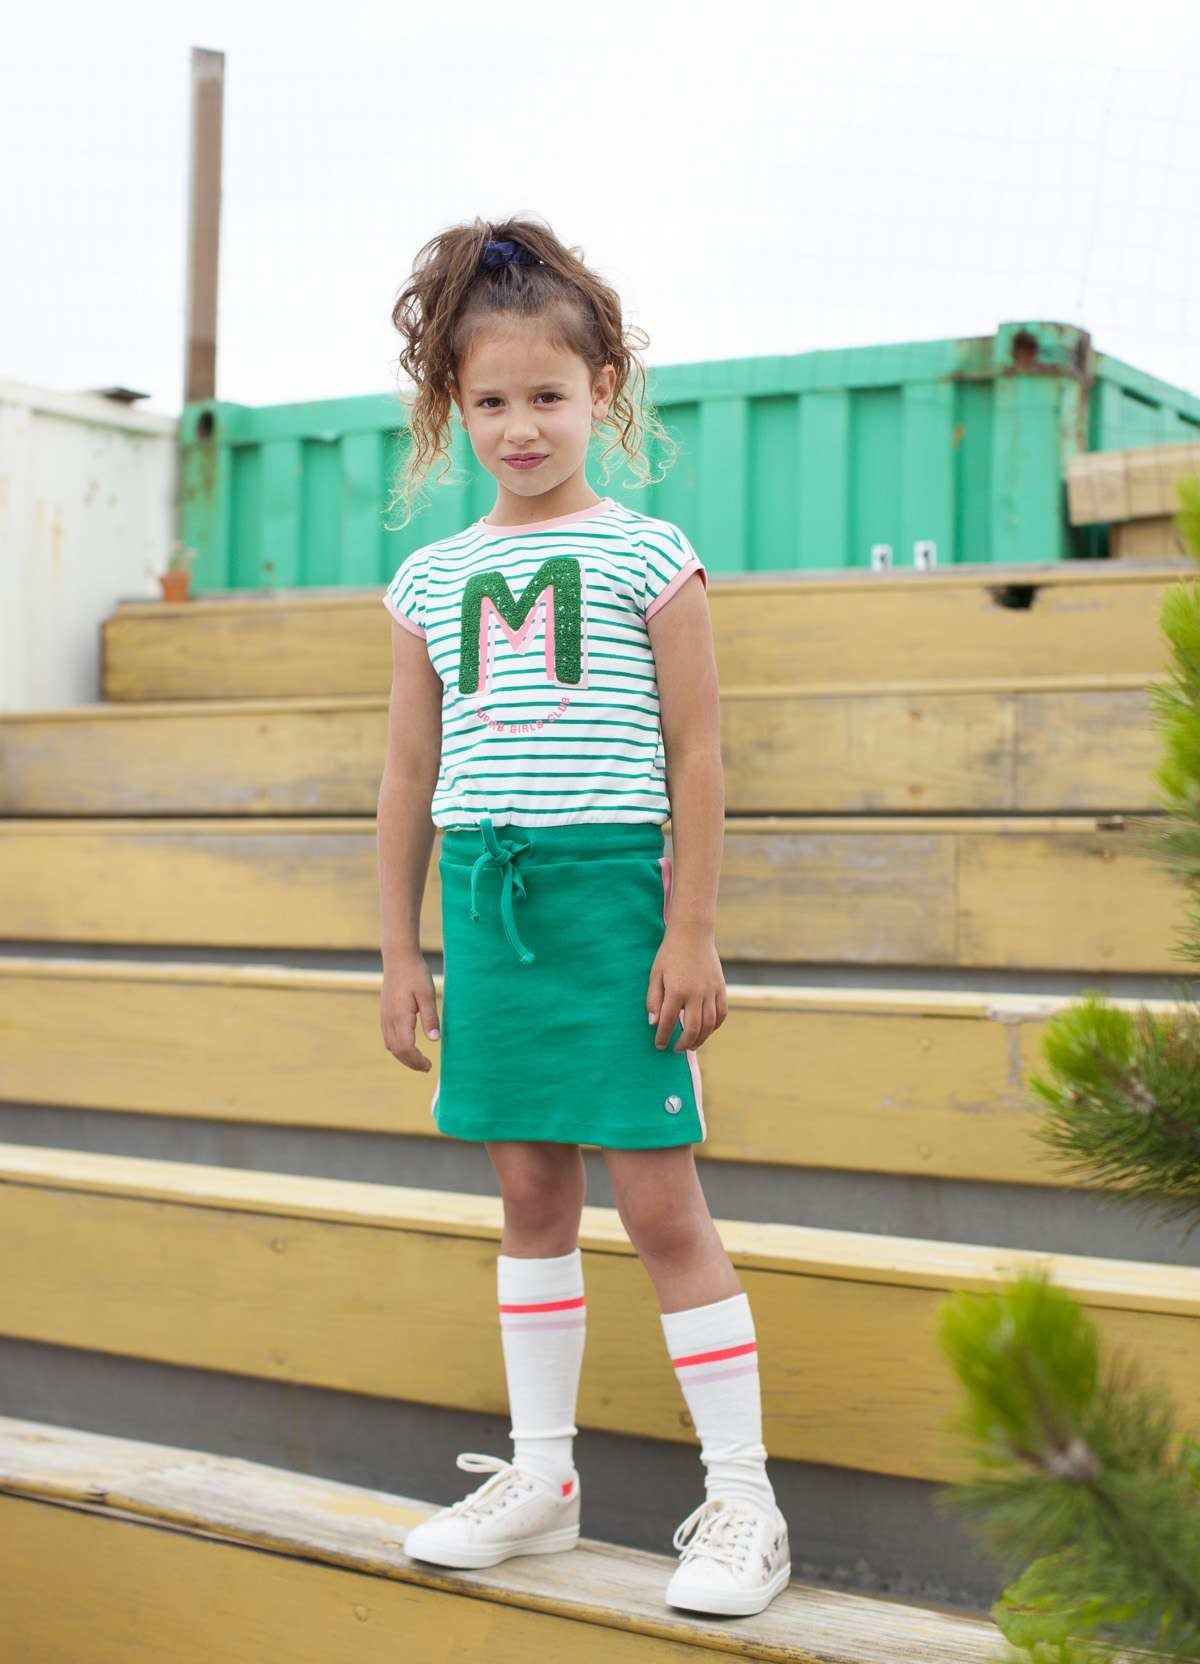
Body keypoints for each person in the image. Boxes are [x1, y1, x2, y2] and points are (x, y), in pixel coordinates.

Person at [376, 215, 790, 1618]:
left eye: (547, 396)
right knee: (530, 1198)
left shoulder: (649, 556)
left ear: (601, 390)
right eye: (490, 400)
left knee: (661, 1203)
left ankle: (744, 1499)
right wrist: (400, 950)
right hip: (490, 913)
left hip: (617, 906)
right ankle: (543, 1481)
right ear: (453, 406)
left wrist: (693, 926)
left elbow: (699, 755)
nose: (520, 427)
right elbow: (407, 777)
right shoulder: (427, 582)